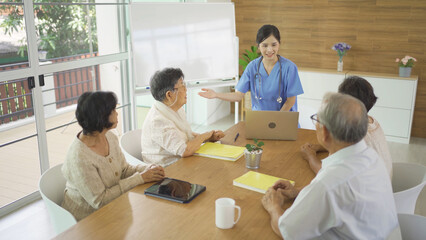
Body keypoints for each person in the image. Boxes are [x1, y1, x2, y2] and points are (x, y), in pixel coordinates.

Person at [261, 92, 398, 239]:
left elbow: (287, 231)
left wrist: (273, 206)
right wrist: (297, 192)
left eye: (316, 120)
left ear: (325, 132)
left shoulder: (329, 185)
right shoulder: (371, 157)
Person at [61, 91, 165, 221]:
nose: (117, 113)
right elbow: (100, 201)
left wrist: (148, 169)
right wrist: (141, 178)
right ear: (101, 117)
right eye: (113, 110)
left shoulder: (109, 137)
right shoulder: (79, 157)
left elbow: (124, 170)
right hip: (87, 220)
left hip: (115, 205)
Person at [301, 76, 393, 178]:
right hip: (383, 183)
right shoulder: (371, 121)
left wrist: (310, 156)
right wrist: (320, 147)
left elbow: (326, 175)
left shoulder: (355, 134)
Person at [198, 24, 304, 112]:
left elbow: (291, 101)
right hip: (259, 122)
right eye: (265, 45)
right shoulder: (252, 67)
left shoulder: (289, 68)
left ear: (279, 44)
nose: (269, 50)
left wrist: (275, 120)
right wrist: (216, 94)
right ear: (258, 46)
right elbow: (239, 95)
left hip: (284, 121)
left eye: (274, 45)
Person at [141, 68, 225, 167]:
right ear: (169, 94)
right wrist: (205, 135)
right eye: (182, 85)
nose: (186, 89)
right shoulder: (157, 121)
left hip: (182, 163)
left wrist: (210, 137)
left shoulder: (174, 109)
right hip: (167, 173)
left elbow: (185, 136)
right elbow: (185, 150)